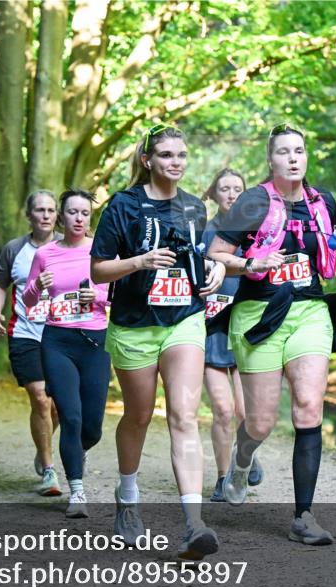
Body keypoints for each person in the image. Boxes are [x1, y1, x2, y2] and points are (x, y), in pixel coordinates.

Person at [208, 124, 336, 546]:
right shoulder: (254, 201)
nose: (293, 158)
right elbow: (216, 252)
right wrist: (249, 265)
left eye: (299, 151)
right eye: (284, 152)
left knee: (309, 408)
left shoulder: (322, 201)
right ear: (270, 160)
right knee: (260, 421)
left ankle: (303, 516)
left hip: (309, 310)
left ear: (306, 157)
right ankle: (241, 458)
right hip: (258, 314)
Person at [90, 124, 226, 560]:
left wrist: (214, 272)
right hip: (134, 325)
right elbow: (98, 270)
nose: (176, 163)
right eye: (167, 155)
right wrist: (140, 261)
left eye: (182, 155)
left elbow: (202, 258)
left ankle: (193, 524)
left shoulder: (193, 208)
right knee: (139, 415)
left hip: (183, 320)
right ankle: (127, 496)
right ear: (148, 160)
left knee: (184, 416)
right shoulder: (123, 206)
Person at [23, 189, 110, 518]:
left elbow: (117, 297)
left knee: (92, 428)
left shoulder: (101, 252)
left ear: (90, 217)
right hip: (57, 340)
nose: (78, 218)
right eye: (72, 212)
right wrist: (36, 287)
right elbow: (29, 301)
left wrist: (97, 297)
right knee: (70, 417)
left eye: (84, 213)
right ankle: (77, 491)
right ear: (62, 216)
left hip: (96, 342)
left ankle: (74, 451)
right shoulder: (45, 254)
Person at [0, 191, 62, 496]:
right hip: (25, 332)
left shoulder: (70, 246)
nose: (45, 215)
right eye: (39, 210)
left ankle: (41, 446)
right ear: (28, 215)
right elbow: (0, 285)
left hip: (62, 333)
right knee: (40, 397)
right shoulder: (14, 249)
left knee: (58, 405)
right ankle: (48, 469)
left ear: (57, 214)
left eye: (50, 210)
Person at [200, 168, 263, 502]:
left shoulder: (257, 233)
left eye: (238, 189)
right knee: (222, 410)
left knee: (245, 412)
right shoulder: (203, 233)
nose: (232, 194)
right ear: (214, 194)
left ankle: (246, 457)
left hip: (246, 328)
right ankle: (223, 479)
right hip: (211, 330)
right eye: (224, 188)